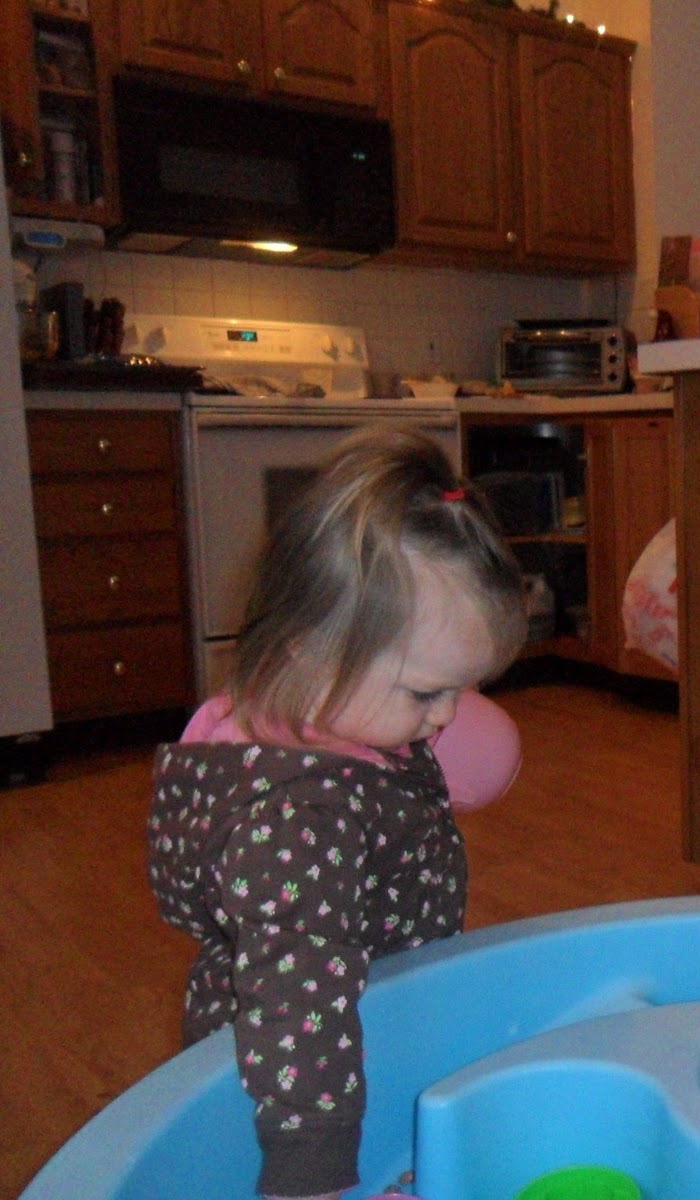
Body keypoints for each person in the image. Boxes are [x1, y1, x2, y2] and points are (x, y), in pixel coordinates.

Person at [147, 425, 528, 1200]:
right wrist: (311, 1170)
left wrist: (430, 699)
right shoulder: (296, 822)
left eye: (464, 689)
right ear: (311, 651)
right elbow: (299, 1009)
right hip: (296, 1085)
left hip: (363, 1011)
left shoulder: (318, 709)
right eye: (427, 692)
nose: (447, 716)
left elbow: (467, 750)